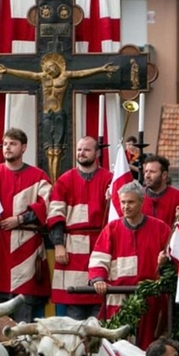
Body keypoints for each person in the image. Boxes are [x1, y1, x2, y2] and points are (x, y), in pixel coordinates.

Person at [0, 128, 51, 323]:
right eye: (6, 144)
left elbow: (47, 204)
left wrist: (20, 219)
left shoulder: (38, 176)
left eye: (13, 144)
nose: (8, 148)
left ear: (23, 147)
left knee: (22, 318)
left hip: (25, 247)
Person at [89, 182, 173, 346]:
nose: (125, 206)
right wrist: (98, 279)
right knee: (113, 346)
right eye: (123, 202)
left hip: (150, 303)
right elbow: (99, 258)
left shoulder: (160, 228)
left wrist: (166, 261)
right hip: (117, 301)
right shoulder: (111, 229)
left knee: (148, 347)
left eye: (131, 202)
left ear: (142, 202)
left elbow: (174, 263)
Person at [47, 136, 113, 320]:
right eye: (79, 149)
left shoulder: (109, 179)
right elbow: (55, 214)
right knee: (75, 308)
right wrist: (58, 244)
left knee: (100, 307)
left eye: (86, 149)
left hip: (101, 244)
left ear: (97, 153)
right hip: (73, 247)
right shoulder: (65, 180)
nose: (81, 153)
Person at [142, 154, 179, 226]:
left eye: (152, 172)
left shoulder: (178, 197)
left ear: (164, 175)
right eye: (146, 171)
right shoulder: (138, 196)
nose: (147, 175)